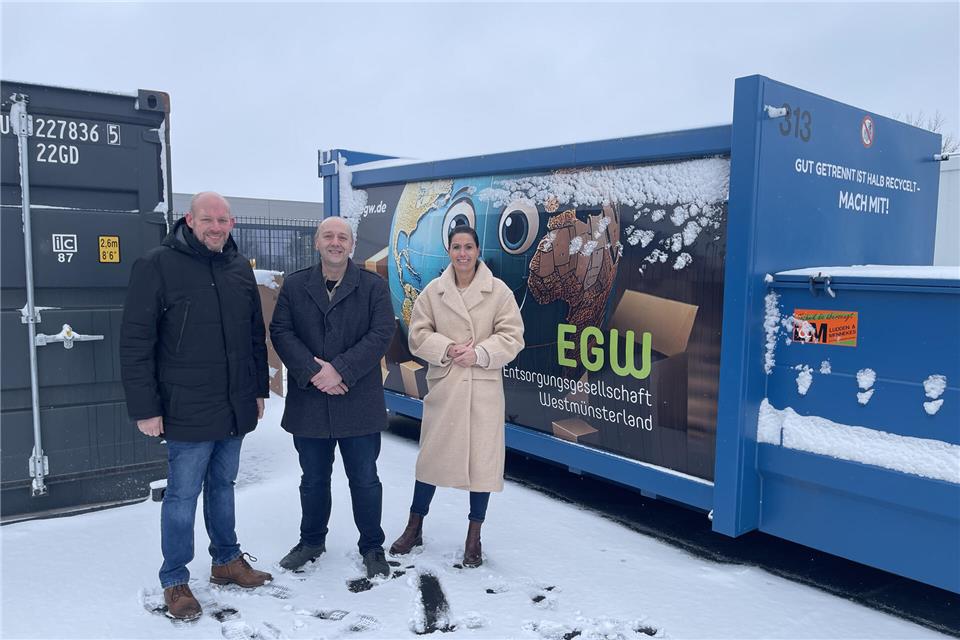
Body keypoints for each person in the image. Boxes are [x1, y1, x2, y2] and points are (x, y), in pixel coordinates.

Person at [120, 192, 272, 621]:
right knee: (182, 495)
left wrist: (258, 391)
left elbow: (253, 336)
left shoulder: (239, 268)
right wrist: (145, 408)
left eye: (223, 220)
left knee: (223, 486)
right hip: (185, 405)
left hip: (234, 403)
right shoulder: (157, 265)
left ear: (232, 223)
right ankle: (175, 579)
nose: (216, 227)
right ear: (189, 219)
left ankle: (226, 560)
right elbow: (135, 341)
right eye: (208, 219)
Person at [389, 225, 524, 567]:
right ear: (448, 251)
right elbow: (418, 335)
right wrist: (448, 348)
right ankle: (414, 526)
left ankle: (474, 536)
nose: (462, 253)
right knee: (431, 459)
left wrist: (479, 354)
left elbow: (512, 337)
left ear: (478, 251)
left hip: (482, 389)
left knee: (482, 464)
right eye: (456, 247)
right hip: (446, 388)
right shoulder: (433, 292)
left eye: (468, 247)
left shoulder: (499, 292)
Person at [269, 216, 395, 578]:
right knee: (313, 480)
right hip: (310, 402)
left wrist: (340, 369)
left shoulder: (373, 286)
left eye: (342, 237)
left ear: (352, 245)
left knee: (365, 479)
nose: (335, 242)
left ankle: (372, 546)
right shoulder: (295, 286)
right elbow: (281, 331)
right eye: (328, 236)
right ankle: (311, 542)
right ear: (317, 242)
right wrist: (314, 372)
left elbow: (382, 332)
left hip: (358, 401)